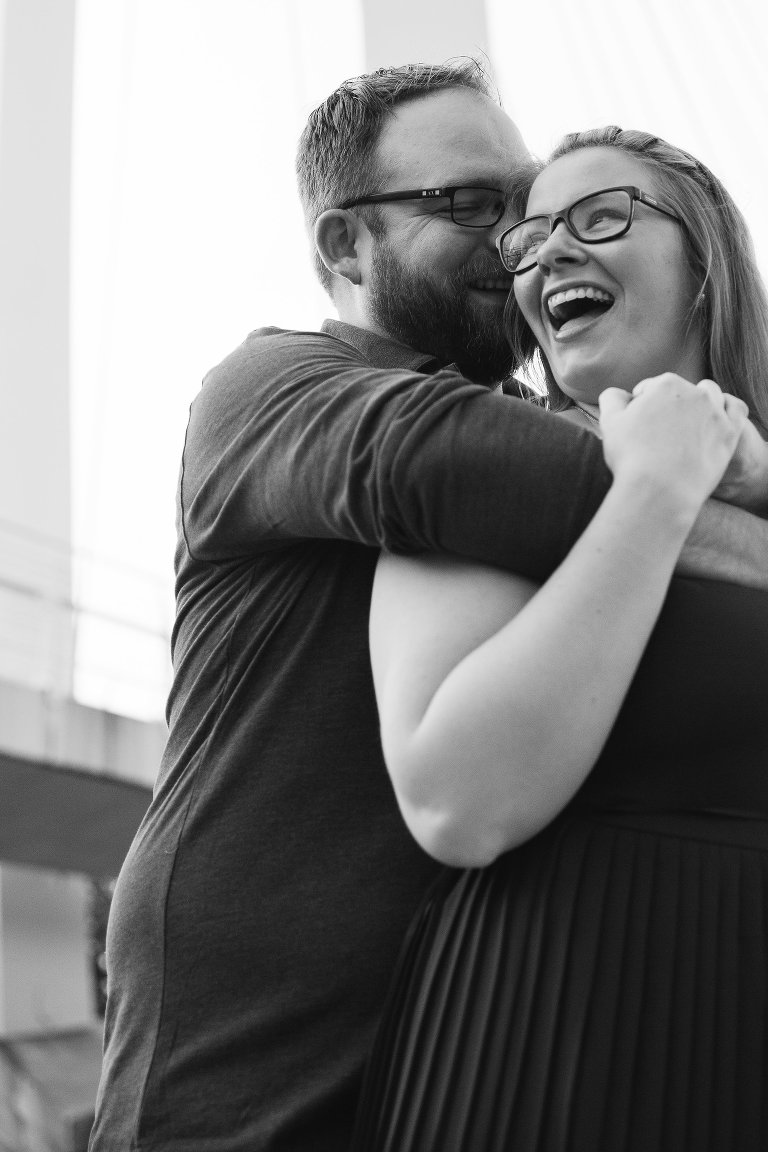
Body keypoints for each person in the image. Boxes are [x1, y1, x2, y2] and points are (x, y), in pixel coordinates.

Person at [89, 60, 768, 1152]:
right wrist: (706, 470)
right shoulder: (271, 388)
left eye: (529, 203)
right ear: (342, 248)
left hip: (471, 1037)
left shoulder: (541, 426)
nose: (518, 241)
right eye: (472, 205)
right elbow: (475, 468)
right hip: (254, 1060)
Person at [352, 128, 768, 1152]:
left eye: (601, 218)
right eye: (529, 243)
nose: (550, 257)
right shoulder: (478, 463)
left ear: (705, 260)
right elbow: (458, 801)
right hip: (549, 1048)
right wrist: (656, 489)